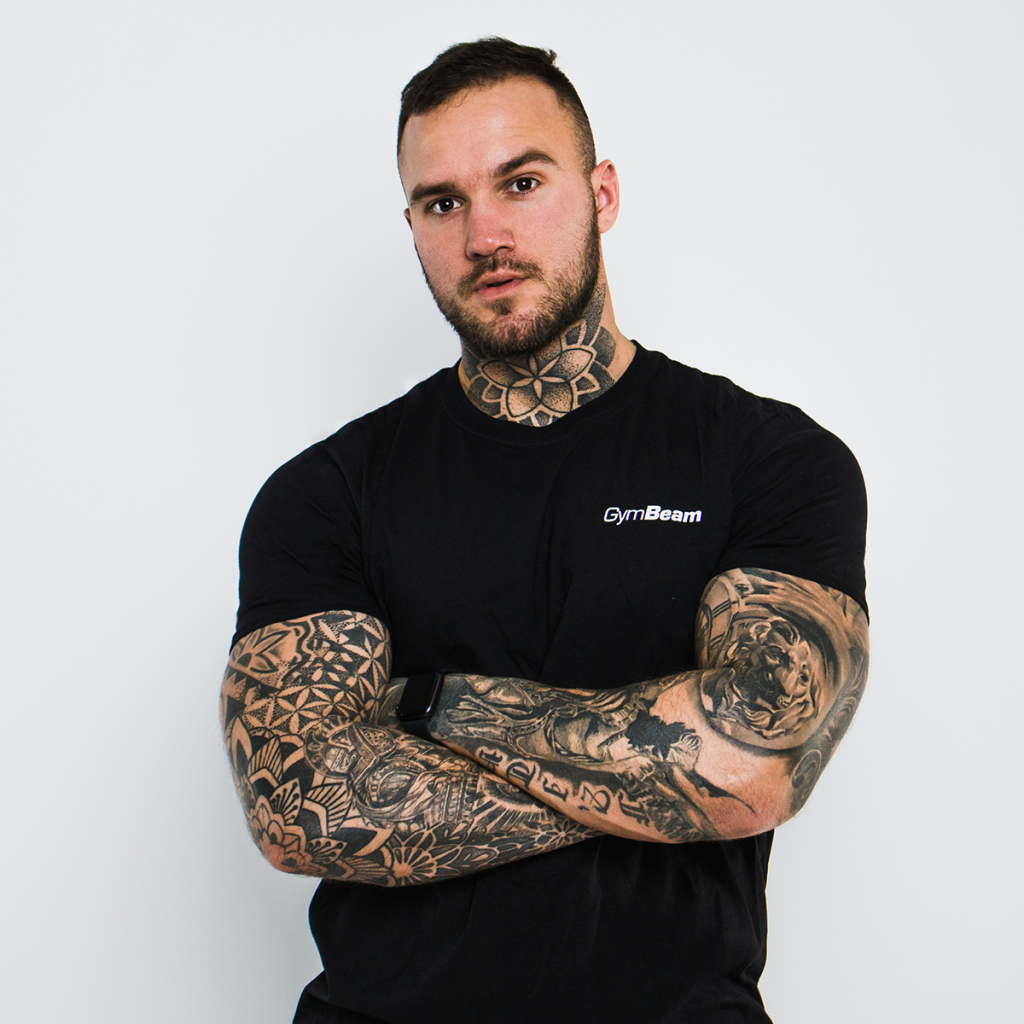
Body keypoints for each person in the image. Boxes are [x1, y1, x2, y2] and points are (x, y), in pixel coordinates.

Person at [220, 37, 869, 1024]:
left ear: (602, 194)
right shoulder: (325, 494)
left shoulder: (769, 460)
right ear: (412, 228)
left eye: (520, 183)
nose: (485, 234)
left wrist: (434, 704)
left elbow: (753, 766)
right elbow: (298, 806)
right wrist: (661, 776)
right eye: (443, 203)